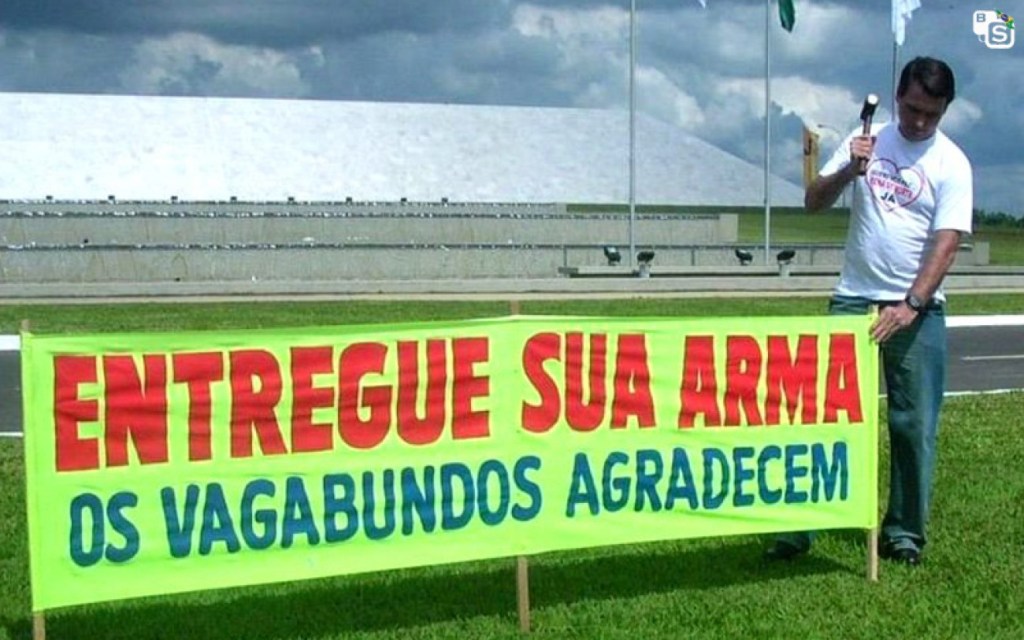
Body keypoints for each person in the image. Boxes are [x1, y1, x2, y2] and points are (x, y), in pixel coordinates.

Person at [765, 56, 973, 566]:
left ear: (945, 109)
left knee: (913, 425)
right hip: (853, 297)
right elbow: (813, 202)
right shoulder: (866, 140)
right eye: (912, 109)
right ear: (897, 97)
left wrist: (911, 304)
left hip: (916, 310)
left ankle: (904, 533)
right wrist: (847, 172)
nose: (919, 122)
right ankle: (800, 526)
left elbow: (946, 243)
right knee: (821, 415)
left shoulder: (952, 163)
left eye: (932, 114)